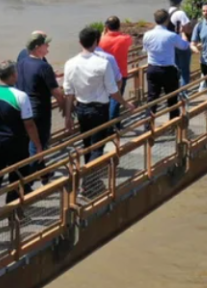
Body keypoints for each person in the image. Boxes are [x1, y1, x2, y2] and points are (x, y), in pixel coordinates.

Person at [0, 60, 42, 219]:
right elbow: (29, 125)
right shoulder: (20, 96)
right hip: (16, 142)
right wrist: (38, 146)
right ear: (13, 75)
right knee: (17, 176)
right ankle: (14, 213)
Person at [63, 27, 132, 160]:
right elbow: (113, 91)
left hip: (81, 108)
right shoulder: (103, 64)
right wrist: (125, 103)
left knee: (86, 143)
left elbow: (69, 93)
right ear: (95, 42)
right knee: (98, 145)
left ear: (79, 42)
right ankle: (92, 178)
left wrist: (67, 117)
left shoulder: (70, 64)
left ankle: (88, 174)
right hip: (99, 109)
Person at [15, 31, 67, 174]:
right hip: (39, 111)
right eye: (46, 43)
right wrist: (65, 107)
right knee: (38, 145)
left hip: (22, 109)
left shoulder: (20, 63)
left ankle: (38, 170)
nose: (48, 45)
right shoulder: (43, 66)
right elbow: (56, 92)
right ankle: (29, 180)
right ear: (38, 47)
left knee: (28, 142)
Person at [143, 8, 191, 121]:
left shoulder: (147, 35)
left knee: (151, 99)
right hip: (168, 70)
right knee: (172, 99)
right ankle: (173, 124)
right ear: (167, 20)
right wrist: (184, 34)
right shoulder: (171, 35)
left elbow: (145, 50)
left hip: (152, 69)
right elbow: (184, 46)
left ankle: (148, 126)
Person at [98, 17, 134, 120]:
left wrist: (103, 33)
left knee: (105, 99)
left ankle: (106, 123)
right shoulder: (125, 39)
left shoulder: (101, 39)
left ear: (106, 26)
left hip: (104, 73)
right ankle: (114, 125)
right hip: (120, 73)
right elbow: (129, 39)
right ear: (119, 26)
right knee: (116, 99)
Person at [166, 0, 193, 100]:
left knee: (176, 69)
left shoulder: (166, 13)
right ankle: (183, 93)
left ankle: (175, 92)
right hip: (181, 43)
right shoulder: (180, 13)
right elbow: (187, 28)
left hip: (170, 46)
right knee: (185, 70)